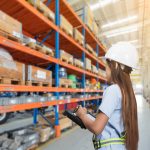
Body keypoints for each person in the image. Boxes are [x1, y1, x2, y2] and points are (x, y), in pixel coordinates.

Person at [76, 42, 139, 150]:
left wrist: (82, 115)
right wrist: (89, 117)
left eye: (106, 67)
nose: (105, 72)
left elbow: (97, 128)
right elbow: (113, 122)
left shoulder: (113, 90)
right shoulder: (127, 91)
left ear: (115, 65)